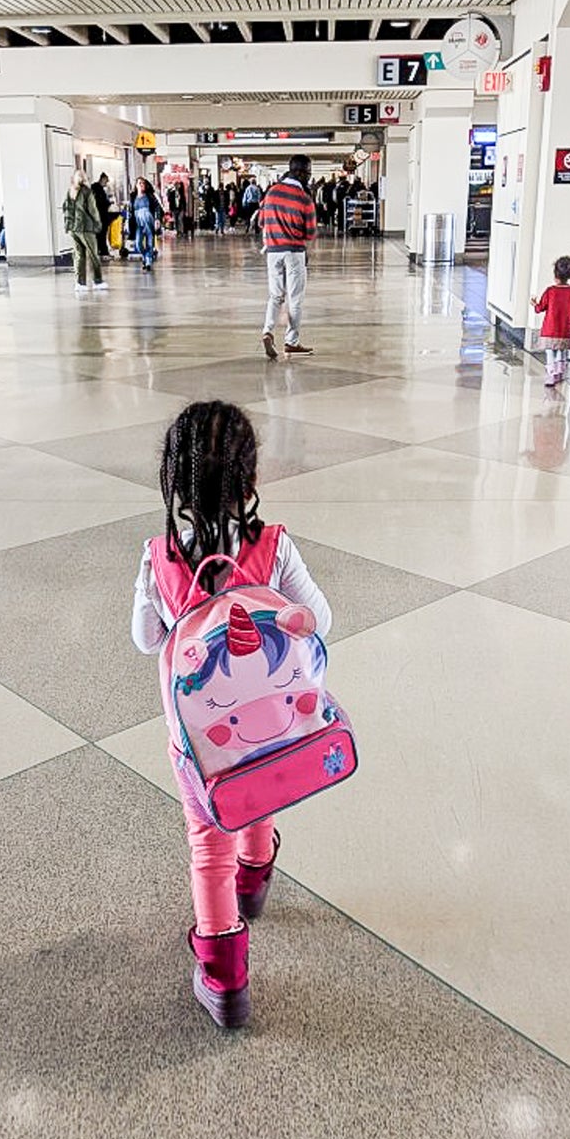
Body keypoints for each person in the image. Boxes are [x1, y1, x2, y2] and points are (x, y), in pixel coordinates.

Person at [130, 400, 332, 1029]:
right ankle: (257, 870)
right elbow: (319, 621)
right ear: (251, 483)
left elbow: (144, 638)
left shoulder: (160, 556)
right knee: (256, 791)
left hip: (199, 741)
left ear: (175, 484)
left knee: (204, 844)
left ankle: (224, 974)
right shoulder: (273, 548)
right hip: (271, 726)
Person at [259, 153, 318, 360]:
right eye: (309, 173)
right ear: (301, 172)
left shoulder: (271, 192)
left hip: (273, 252)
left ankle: (267, 331)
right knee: (295, 300)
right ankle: (291, 342)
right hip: (294, 253)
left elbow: (261, 222)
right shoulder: (304, 199)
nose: (309, 177)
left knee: (275, 296)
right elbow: (310, 233)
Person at [531, 255, 570, 387]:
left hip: (550, 328)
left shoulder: (550, 291)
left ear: (555, 275)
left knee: (550, 351)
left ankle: (550, 376)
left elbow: (540, 308)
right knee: (561, 350)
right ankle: (559, 373)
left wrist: (534, 304)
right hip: (565, 329)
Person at [62, 169, 106, 295]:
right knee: (93, 255)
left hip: (73, 229)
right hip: (86, 228)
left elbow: (66, 209)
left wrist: (68, 226)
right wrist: (98, 224)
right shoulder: (87, 192)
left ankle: (80, 283)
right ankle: (98, 281)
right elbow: (93, 210)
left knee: (79, 256)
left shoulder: (70, 191)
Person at [132, 177, 162, 272]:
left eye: (143, 183)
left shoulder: (150, 196)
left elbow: (157, 207)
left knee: (150, 242)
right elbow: (130, 211)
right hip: (138, 222)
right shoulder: (133, 197)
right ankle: (145, 256)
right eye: (139, 183)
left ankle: (148, 261)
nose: (141, 185)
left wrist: (157, 219)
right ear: (136, 185)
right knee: (138, 243)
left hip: (149, 220)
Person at [91, 174, 113, 260]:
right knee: (101, 235)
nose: (106, 183)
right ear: (102, 179)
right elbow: (100, 203)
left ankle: (101, 252)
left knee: (100, 235)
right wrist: (108, 203)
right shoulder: (97, 190)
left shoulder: (97, 189)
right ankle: (103, 252)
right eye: (106, 181)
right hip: (100, 216)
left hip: (99, 216)